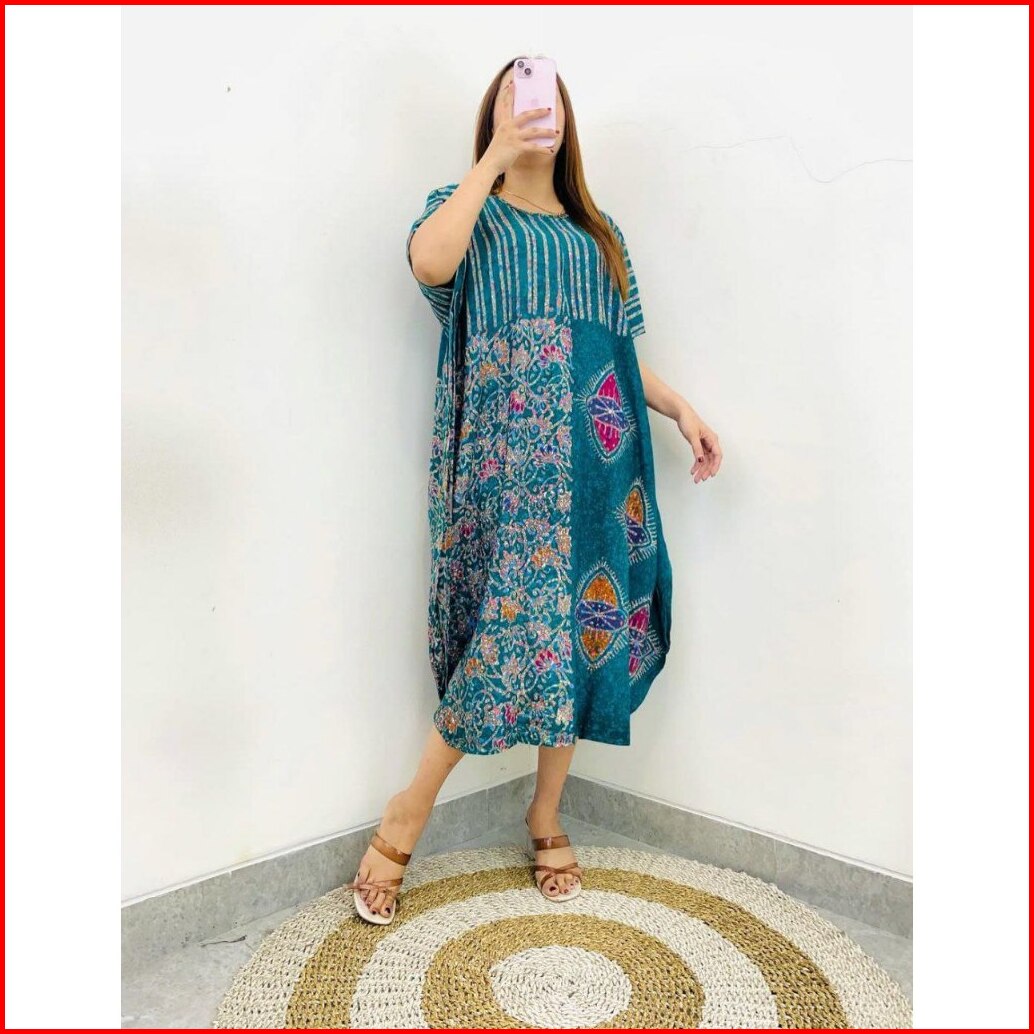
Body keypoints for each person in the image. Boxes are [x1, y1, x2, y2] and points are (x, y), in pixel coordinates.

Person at [347, 56, 722, 925]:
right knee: (508, 631)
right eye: (516, 101)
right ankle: (410, 809)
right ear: (496, 115)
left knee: (582, 632)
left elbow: (620, 352)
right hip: (509, 467)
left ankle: (545, 812)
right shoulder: (468, 211)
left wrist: (679, 409)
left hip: (597, 462)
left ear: (566, 120)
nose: (533, 112)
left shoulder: (600, 232)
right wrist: (492, 161)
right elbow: (427, 263)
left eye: (544, 101)